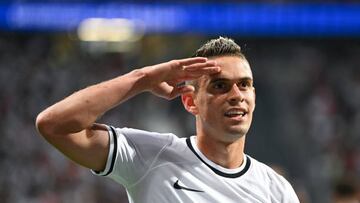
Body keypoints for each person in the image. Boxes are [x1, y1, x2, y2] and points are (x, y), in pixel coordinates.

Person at [36, 37, 300, 202]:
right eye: (220, 86)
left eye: (244, 85)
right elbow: (53, 125)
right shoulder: (150, 157)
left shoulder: (277, 191)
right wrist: (142, 79)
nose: (236, 95)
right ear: (190, 101)